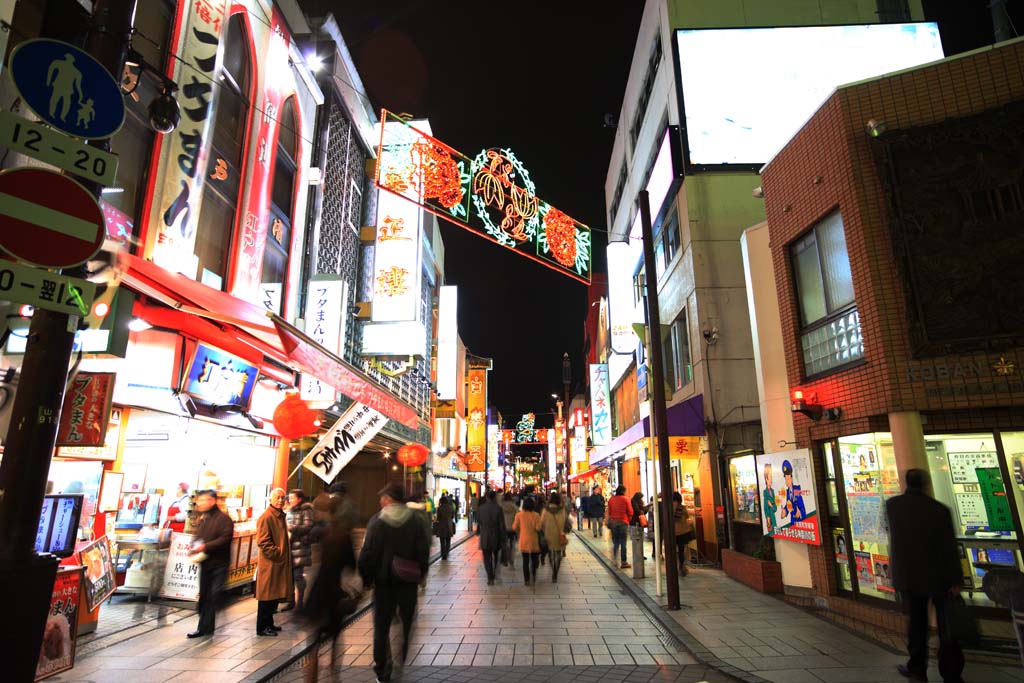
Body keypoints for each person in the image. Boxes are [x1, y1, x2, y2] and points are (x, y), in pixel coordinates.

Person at [885, 469, 965, 683]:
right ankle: (951, 673)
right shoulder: (939, 510)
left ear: (906, 483)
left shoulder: (893, 506)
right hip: (940, 577)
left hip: (908, 576)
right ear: (927, 484)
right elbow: (949, 546)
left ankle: (917, 668)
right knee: (946, 626)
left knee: (917, 624)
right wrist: (956, 579)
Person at [358, 483, 429, 683]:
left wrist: (366, 579)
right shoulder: (415, 521)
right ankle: (401, 655)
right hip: (407, 581)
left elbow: (368, 553)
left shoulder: (377, 521)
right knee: (406, 622)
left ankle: (382, 668)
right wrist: (421, 573)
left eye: (383, 497)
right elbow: (423, 549)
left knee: (381, 627)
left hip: (383, 583)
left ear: (389, 499)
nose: (381, 501)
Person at [301, 494, 358, 683]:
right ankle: (334, 675)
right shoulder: (344, 535)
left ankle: (311, 678)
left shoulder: (318, 533)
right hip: (334, 593)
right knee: (334, 637)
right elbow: (352, 565)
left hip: (318, 592)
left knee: (314, 641)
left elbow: (313, 557)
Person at [186, 489, 234, 638]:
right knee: (205, 596)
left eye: (203, 500)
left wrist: (205, 546)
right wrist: (193, 547)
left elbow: (225, 539)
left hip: (219, 564)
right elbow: (198, 536)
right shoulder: (203, 518)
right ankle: (204, 627)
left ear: (212, 501)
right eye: (198, 500)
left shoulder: (224, 519)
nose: (199, 503)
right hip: (205, 563)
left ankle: (206, 626)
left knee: (213, 595)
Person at [255, 488, 292, 636]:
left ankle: (269, 624)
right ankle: (263, 627)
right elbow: (263, 541)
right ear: (270, 499)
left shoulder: (279, 516)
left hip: (277, 563)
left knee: (273, 596)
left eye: (283, 498)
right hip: (270, 564)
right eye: (277, 497)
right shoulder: (267, 517)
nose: (281, 500)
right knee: (266, 597)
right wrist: (277, 553)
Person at [282, 489, 314, 612]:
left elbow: (308, 527)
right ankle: (290, 601)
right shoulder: (289, 511)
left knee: (298, 576)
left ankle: (299, 602)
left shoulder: (306, 510)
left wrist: (292, 528)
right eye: (289, 498)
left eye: (293, 498)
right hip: (289, 547)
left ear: (300, 499)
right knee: (289, 576)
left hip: (301, 547)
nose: (290, 500)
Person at [476, 490, 506, 585]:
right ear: (494, 497)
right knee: (496, 555)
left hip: (485, 535)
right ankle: (494, 572)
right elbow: (501, 524)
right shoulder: (498, 508)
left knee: (486, 556)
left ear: (487, 497)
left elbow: (479, 521)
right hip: (496, 535)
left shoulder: (481, 508)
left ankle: (490, 577)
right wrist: (503, 537)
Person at [539, 492, 568, 582]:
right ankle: (556, 572)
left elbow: (541, 522)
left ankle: (553, 569)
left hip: (549, 534)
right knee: (558, 554)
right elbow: (566, 521)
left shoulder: (545, 510)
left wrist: (544, 529)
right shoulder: (562, 510)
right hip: (560, 534)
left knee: (551, 553)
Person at [513, 498, 542, 586]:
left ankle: (526, 580)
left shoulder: (519, 515)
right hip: (533, 540)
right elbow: (538, 528)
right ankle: (533, 575)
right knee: (534, 560)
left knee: (525, 561)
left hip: (524, 540)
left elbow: (514, 527)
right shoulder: (536, 515)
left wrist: (519, 530)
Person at [606, 485, 633, 569]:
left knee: (616, 542)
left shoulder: (611, 499)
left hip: (614, 523)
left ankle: (615, 560)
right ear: (623, 491)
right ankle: (624, 562)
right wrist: (628, 520)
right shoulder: (626, 499)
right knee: (623, 542)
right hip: (623, 522)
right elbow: (630, 511)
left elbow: (609, 512)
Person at [672, 491, 694, 576]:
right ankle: (681, 567)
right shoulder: (682, 508)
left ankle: (673, 567)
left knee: (673, 551)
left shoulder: (669, 507)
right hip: (683, 533)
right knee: (681, 551)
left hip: (673, 533)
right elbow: (687, 517)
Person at [780, 460, 806, 524]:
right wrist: (784, 512)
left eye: (788, 478)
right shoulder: (788, 492)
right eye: (786, 479)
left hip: (799, 522)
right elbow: (789, 505)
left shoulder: (797, 489)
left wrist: (800, 512)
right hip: (793, 522)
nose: (787, 481)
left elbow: (801, 504)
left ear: (792, 479)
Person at [434, 494, 456, 560]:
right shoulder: (450, 507)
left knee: (442, 541)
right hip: (449, 525)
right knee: (448, 540)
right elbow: (452, 516)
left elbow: (438, 518)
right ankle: (447, 552)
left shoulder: (440, 508)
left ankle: (443, 555)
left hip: (442, 526)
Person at [500, 492, 519, 568]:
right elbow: (518, 517)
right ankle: (511, 559)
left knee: (504, 544)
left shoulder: (501, 506)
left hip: (504, 528)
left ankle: (505, 558)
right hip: (512, 528)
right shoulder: (514, 506)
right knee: (512, 544)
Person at [762, 464, 778, 534]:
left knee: (776, 532)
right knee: (772, 532)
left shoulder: (773, 491)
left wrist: (772, 506)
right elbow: (765, 508)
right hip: (770, 520)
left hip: (773, 518)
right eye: (770, 477)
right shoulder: (765, 492)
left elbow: (775, 508)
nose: (771, 479)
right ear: (766, 479)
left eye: (771, 477)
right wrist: (768, 519)